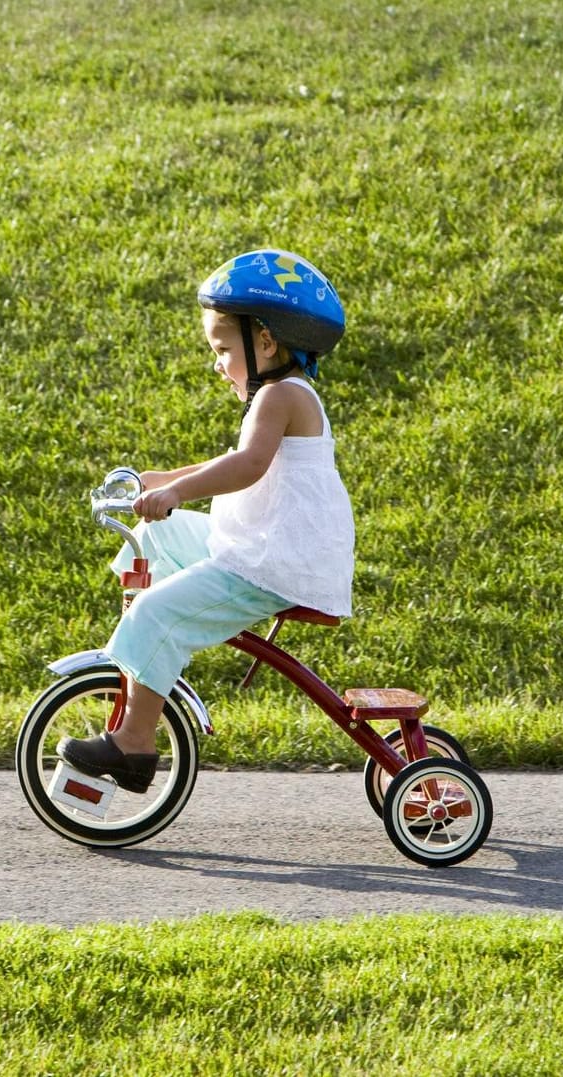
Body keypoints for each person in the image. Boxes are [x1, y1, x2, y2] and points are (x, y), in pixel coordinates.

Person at [58, 249, 355, 792]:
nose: (217, 363)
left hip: (272, 567)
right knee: (159, 532)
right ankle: (140, 659)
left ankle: (134, 746)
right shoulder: (280, 393)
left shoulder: (281, 396)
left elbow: (246, 466)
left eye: (223, 349)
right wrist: (165, 479)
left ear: (265, 340)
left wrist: (176, 490)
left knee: (156, 609)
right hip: (258, 547)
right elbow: (238, 461)